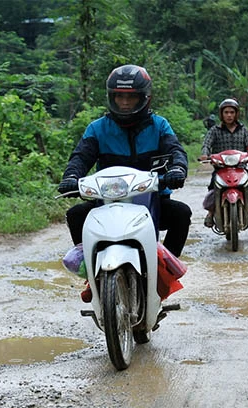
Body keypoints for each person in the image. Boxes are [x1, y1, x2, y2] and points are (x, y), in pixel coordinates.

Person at [58, 64, 192, 301]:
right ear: (112, 97)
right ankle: (91, 273)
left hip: (151, 201)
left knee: (181, 214)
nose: (125, 103)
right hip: (107, 201)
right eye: (120, 96)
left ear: (144, 98)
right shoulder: (98, 128)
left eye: (131, 97)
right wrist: (71, 177)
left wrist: (178, 169)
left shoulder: (159, 125)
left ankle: (163, 275)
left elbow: (175, 151)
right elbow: (81, 157)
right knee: (76, 214)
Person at [199, 98, 248, 226]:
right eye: (226, 112)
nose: (229, 115)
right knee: (212, 186)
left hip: (240, 168)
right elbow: (206, 144)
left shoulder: (243, 130)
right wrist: (205, 154)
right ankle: (211, 213)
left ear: (236, 114)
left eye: (232, 112)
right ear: (221, 114)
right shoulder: (214, 130)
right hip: (221, 169)